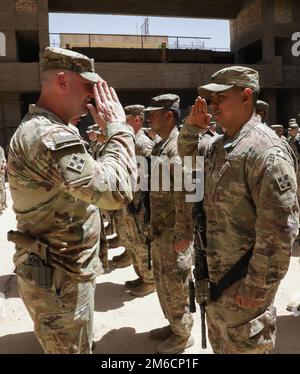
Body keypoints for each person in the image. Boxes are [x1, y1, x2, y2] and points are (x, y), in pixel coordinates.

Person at [7, 47, 137, 354]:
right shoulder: (48, 136)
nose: (95, 96)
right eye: (89, 86)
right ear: (62, 81)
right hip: (59, 279)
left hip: (62, 272)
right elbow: (115, 191)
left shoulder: (56, 129)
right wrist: (119, 130)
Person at [177, 66, 299, 354]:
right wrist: (192, 126)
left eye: (220, 98)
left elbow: (280, 232)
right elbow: (186, 153)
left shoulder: (266, 151)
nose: (213, 105)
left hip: (244, 291)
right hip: (218, 285)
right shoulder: (220, 145)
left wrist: (256, 288)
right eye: (211, 99)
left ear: (246, 97)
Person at [145, 94, 194, 354]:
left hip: (175, 232)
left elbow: (189, 193)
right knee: (163, 282)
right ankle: (174, 325)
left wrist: (184, 234)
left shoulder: (179, 146)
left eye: (154, 113)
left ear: (169, 116)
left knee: (176, 284)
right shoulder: (159, 145)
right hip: (160, 230)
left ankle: (184, 333)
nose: (149, 117)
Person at [114, 104, 155, 297]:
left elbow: (151, 180)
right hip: (130, 202)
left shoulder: (144, 145)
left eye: (127, 119)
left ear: (137, 120)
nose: (123, 123)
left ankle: (149, 281)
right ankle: (141, 275)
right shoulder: (129, 142)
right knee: (132, 243)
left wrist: (145, 206)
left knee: (143, 244)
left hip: (140, 205)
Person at [0, 145, 7, 214]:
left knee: (1, 188)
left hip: (0, 172)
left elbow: (3, 160)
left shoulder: (0, 149)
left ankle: (2, 204)